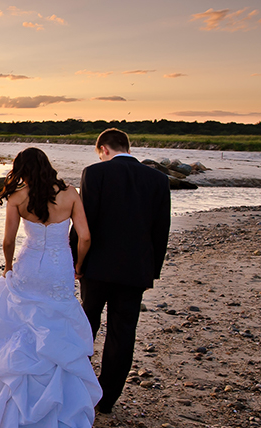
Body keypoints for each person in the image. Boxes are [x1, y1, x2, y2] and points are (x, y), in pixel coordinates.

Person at [0, 147, 102, 428]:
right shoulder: (71, 193)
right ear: (47, 166)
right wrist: (78, 266)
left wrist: (7, 266)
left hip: (29, 267)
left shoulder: (17, 197)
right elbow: (85, 237)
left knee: (21, 324)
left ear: (22, 169)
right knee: (56, 326)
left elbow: (8, 241)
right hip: (59, 268)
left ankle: (13, 387)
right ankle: (57, 398)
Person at [75, 128, 170, 414]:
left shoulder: (94, 174)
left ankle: (76, 387)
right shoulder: (158, 179)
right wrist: (152, 270)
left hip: (97, 268)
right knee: (123, 333)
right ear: (127, 146)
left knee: (84, 326)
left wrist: (75, 262)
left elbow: (84, 225)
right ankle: (106, 400)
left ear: (103, 148)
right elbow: (160, 230)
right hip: (135, 271)